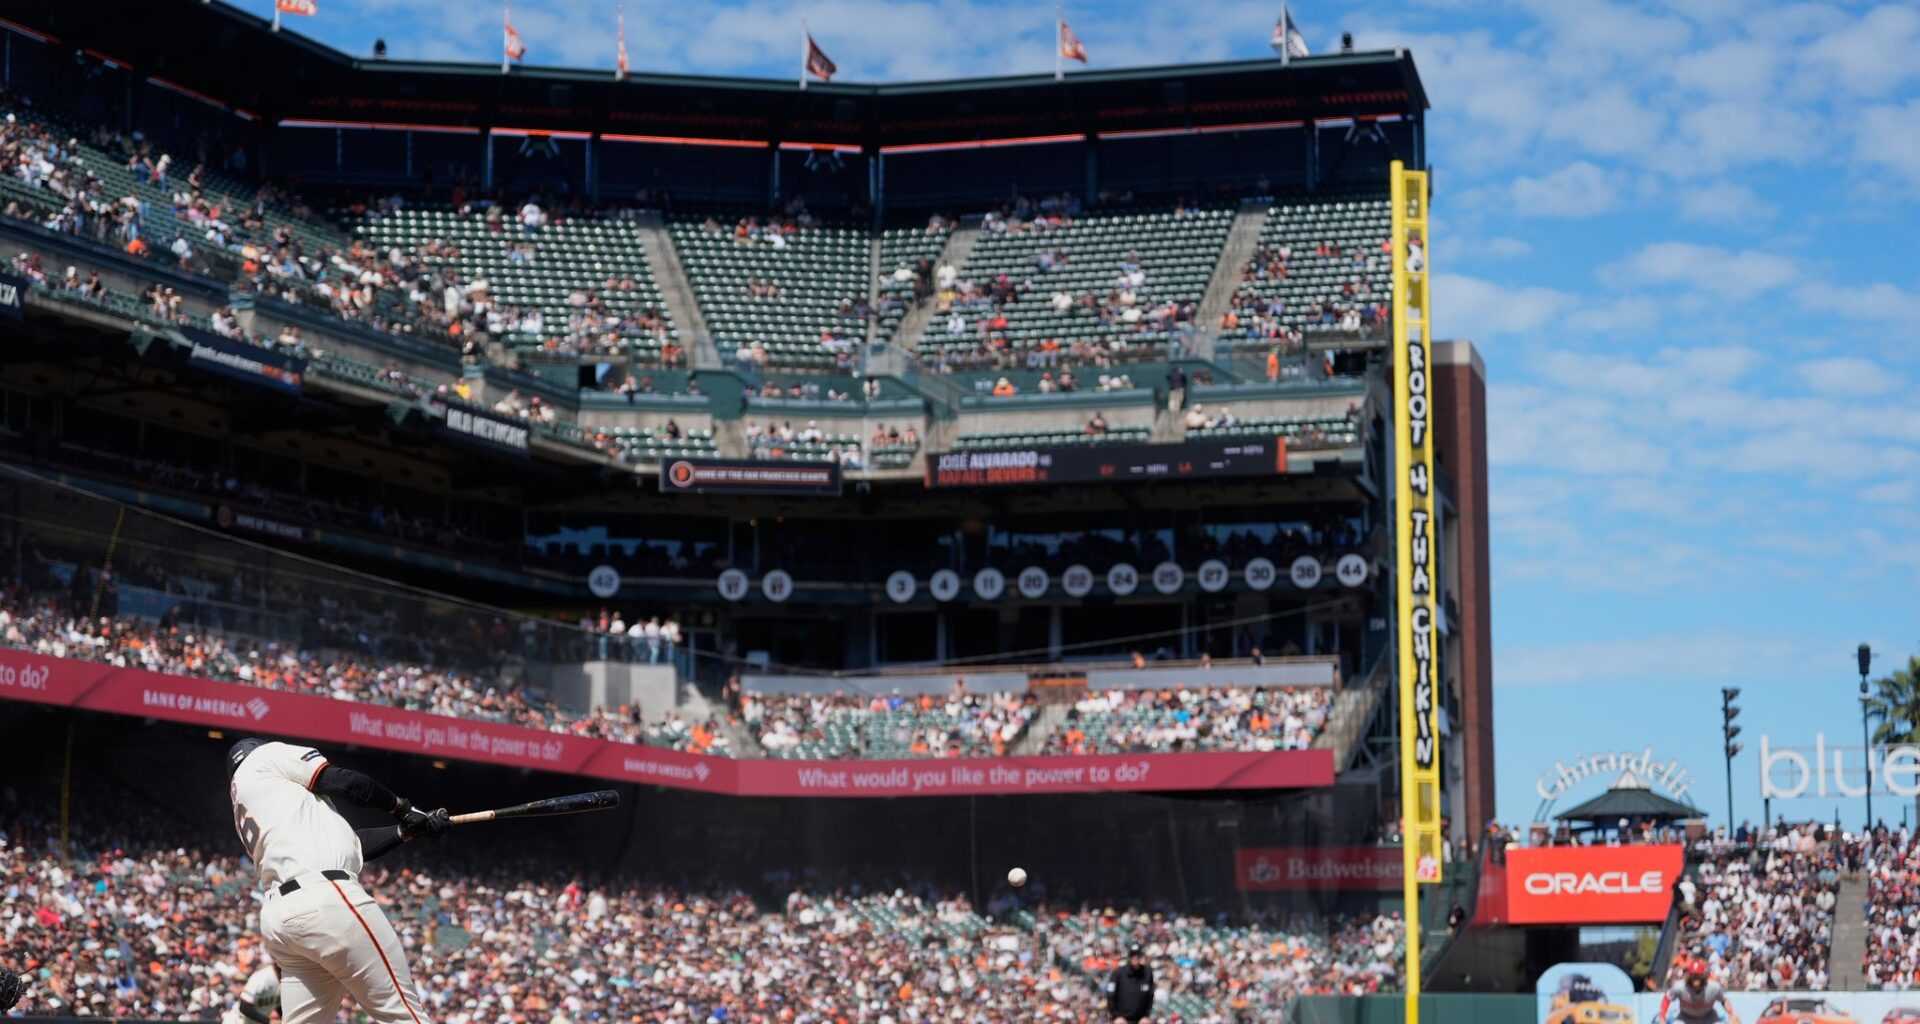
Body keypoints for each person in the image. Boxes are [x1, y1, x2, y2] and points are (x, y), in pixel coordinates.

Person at [227, 738, 451, 1024]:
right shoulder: (265, 756)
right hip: (324, 900)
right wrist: (403, 808)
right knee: (403, 1015)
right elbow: (340, 781)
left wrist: (405, 830)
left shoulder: (252, 800)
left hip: (282, 920)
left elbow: (350, 845)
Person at [1655, 959, 1739, 1024]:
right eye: (1693, 975)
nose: (1696, 977)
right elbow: (1667, 998)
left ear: (1704, 975)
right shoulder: (1680, 987)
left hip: (1708, 1017)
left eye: (1698, 975)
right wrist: (1662, 1018)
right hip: (1685, 1017)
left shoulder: (1714, 987)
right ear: (1689, 975)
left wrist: (1732, 1014)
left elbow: (1723, 1000)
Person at [1105, 944, 1155, 1024]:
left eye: (1137, 955)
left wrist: (1146, 1015)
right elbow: (1110, 995)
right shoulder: (1118, 973)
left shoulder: (1147, 972)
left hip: (1141, 1019)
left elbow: (1150, 995)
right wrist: (1116, 1016)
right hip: (1122, 1019)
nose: (1135, 958)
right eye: (1133, 955)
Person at [221, 959, 280, 1024]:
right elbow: (244, 1007)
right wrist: (269, 1021)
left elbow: (278, 1005)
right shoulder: (262, 977)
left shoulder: (283, 980)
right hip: (237, 1020)